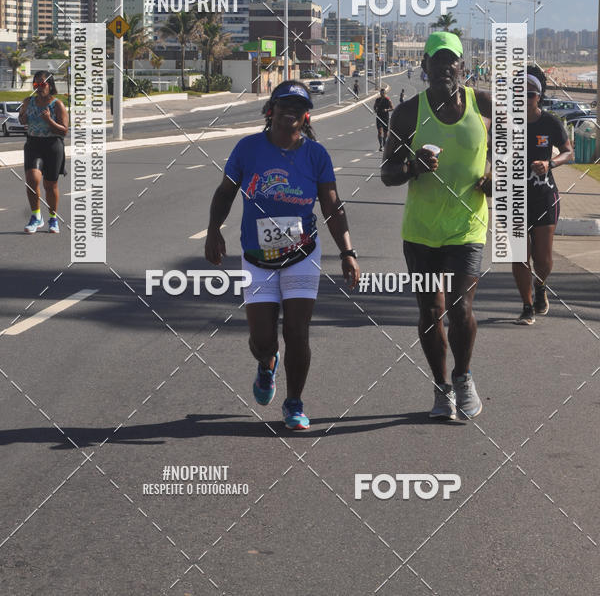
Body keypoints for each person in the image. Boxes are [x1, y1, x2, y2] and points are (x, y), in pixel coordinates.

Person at [205, 80, 360, 431]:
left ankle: (294, 403)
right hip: (256, 257)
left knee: (297, 331)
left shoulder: (316, 155)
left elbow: (332, 206)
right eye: (282, 104)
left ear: (306, 115)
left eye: (297, 106)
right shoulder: (247, 148)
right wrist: (214, 229)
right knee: (263, 340)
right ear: (269, 110)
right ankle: (266, 362)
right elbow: (225, 192)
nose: (289, 110)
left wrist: (347, 251)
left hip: (301, 254)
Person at [381, 32, 492, 421]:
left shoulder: (485, 105)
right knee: (431, 311)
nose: (445, 67)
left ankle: (463, 377)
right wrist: (412, 167)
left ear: (462, 66)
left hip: (468, 227)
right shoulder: (408, 113)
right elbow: (387, 172)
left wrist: (496, 176)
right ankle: (441, 387)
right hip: (422, 231)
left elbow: (512, 153)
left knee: (460, 309)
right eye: (437, 60)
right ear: (424, 67)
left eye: (452, 60)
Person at [512, 66, 573, 325]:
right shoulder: (505, 122)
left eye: (530, 94)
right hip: (512, 198)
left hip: (544, 195)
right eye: (519, 93)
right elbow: (490, 150)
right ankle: (526, 306)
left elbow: (569, 151)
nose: (524, 98)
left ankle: (541, 286)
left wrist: (551, 164)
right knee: (518, 254)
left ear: (539, 96)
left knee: (543, 257)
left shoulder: (550, 122)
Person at [18, 70, 69, 234]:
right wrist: (22, 118)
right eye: (36, 84)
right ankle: (36, 216)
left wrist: (49, 120)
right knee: (32, 180)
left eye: (42, 84)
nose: (39, 87)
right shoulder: (28, 101)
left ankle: (53, 219)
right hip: (33, 144)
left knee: (50, 185)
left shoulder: (57, 104)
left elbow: (64, 131)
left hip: (53, 146)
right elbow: (22, 118)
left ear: (50, 85)